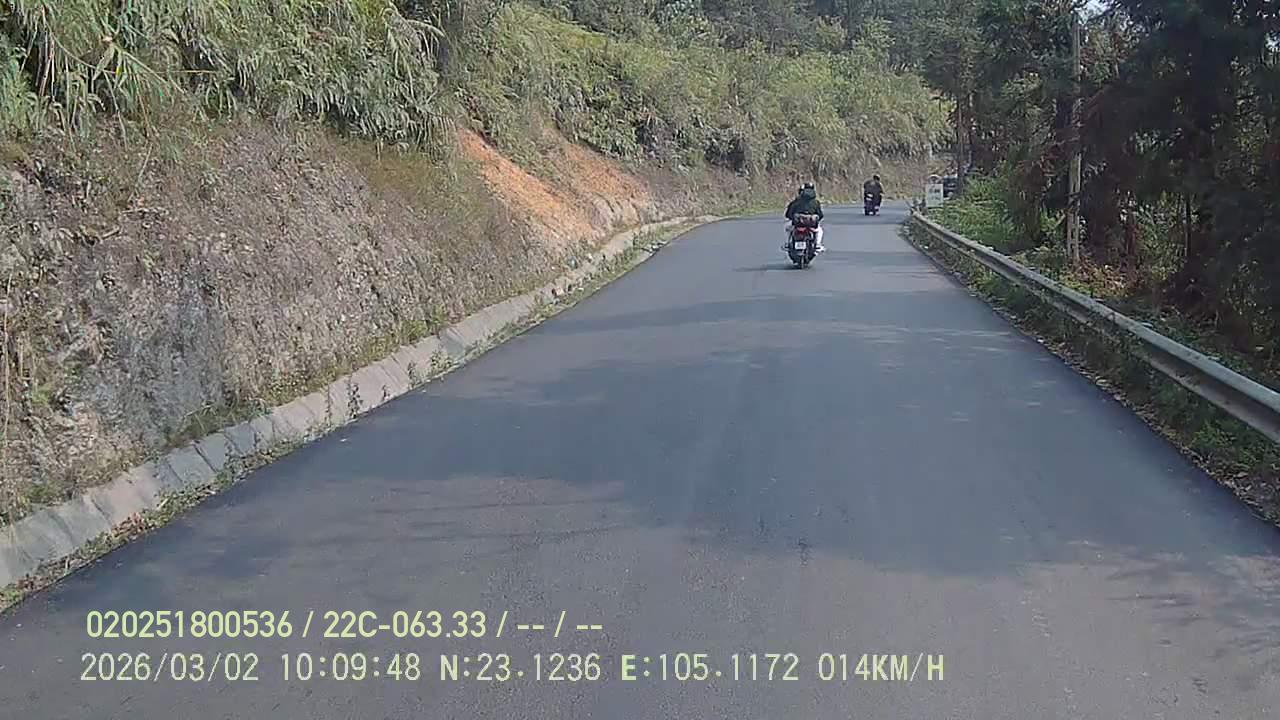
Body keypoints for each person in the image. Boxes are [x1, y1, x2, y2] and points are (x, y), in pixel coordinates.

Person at [784, 182, 825, 252]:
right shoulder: (816, 202)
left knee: (787, 228)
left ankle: (787, 243)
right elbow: (820, 215)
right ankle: (818, 245)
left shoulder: (796, 201)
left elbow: (788, 213)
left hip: (798, 224)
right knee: (819, 231)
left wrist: (793, 218)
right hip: (811, 225)